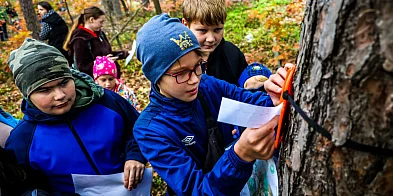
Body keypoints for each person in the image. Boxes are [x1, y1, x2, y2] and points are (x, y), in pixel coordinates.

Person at [133, 13, 288, 195]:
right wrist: (239, 156)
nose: (194, 80)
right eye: (181, 73)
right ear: (155, 75)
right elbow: (196, 191)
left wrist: (273, 97)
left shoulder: (207, 85)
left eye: (198, 65)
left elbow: (249, 100)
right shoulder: (151, 131)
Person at [5, 38, 147, 194]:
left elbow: (142, 129)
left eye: (64, 82)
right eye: (44, 90)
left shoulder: (107, 102)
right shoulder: (22, 141)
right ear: (27, 94)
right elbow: (22, 185)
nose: (60, 95)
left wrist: (135, 154)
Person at [181, 0, 270, 90]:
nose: (211, 39)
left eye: (217, 30)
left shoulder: (231, 53)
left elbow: (245, 84)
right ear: (185, 25)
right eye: (203, 30)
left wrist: (254, 80)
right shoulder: (175, 58)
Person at [63, 6, 129, 78]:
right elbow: (82, 67)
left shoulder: (100, 34)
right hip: (96, 82)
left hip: (111, 77)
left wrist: (124, 54)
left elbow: (107, 54)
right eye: (101, 22)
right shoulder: (80, 40)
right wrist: (103, 62)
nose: (102, 24)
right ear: (92, 20)